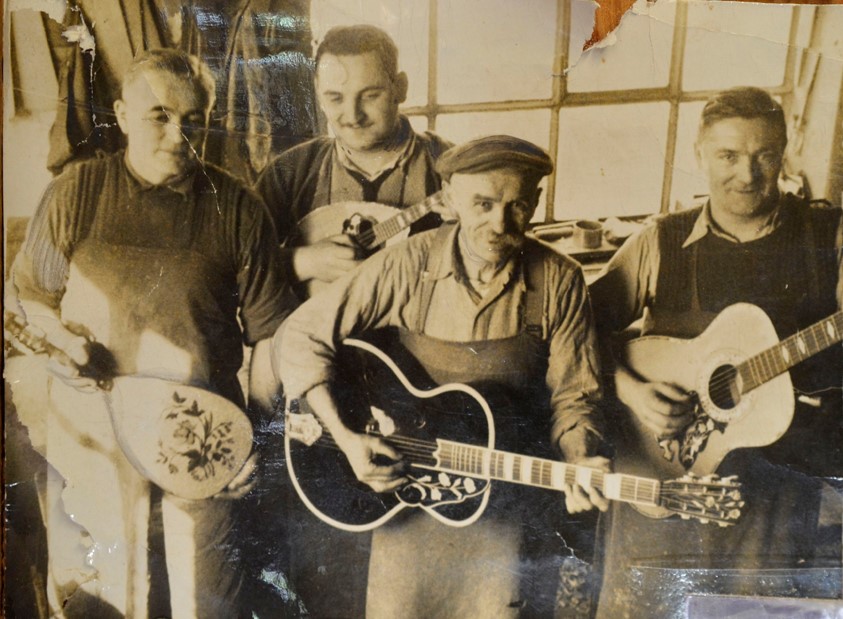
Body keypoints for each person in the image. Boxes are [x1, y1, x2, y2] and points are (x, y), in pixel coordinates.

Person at [275, 135, 611, 617]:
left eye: (517, 205)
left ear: (536, 203)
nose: (500, 222)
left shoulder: (560, 279)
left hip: (507, 495)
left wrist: (579, 458)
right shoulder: (407, 262)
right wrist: (346, 437)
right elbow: (302, 333)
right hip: (410, 497)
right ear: (450, 198)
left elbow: (575, 395)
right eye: (483, 203)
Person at [10, 49, 295, 618]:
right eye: (159, 115)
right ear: (120, 113)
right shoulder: (77, 192)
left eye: (193, 118)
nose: (177, 133)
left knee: (209, 602)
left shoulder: (239, 207)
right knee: (100, 599)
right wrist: (62, 346)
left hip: (202, 440)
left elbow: (272, 341)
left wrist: (254, 441)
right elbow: (28, 300)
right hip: (94, 437)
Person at [589, 86, 843, 617]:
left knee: (751, 610)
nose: (747, 175)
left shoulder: (829, 238)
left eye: (764, 155)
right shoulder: (659, 240)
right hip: (663, 467)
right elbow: (577, 335)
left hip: (773, 484)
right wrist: (632, 390)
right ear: (699, 154)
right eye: (728, 156)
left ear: (785, 152)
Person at [256, 24, 452, 300]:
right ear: (318, 94)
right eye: (335, 98)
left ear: (400, 88)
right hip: (315, 340)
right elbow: (233, 267)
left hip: (420, 338)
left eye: (371, 95)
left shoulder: (452, 168)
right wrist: (303, 261)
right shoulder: (289, 173)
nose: (353, 115)